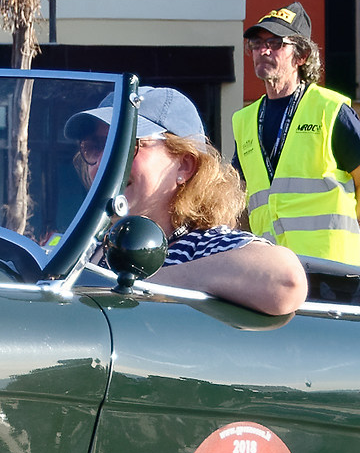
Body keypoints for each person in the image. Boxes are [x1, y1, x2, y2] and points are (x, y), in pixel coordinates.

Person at [69, 88, 307, 316]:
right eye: (95, 147)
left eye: (127, 144)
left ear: (184, 165)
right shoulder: (87, 247)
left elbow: (286, 282)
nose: (104, 163)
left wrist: (141, 285)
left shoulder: (202, 246)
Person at [231, 2, 360, 265]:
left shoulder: (330, 109)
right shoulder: (245, 120)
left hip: (329, 268)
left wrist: (345, 227)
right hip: (273, 269)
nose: (263, 50)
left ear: (301, 56)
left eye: (276, 43)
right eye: (256, 44)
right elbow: (239, 198)